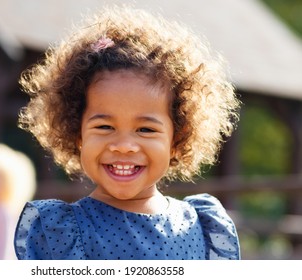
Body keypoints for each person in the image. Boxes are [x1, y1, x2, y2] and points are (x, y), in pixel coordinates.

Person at [14, 5, 241, 260]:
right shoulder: (60, 233)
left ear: (177, 139)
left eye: (145, 129)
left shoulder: (204, 227)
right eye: (105, 127)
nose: (123, 145)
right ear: (78, 135)